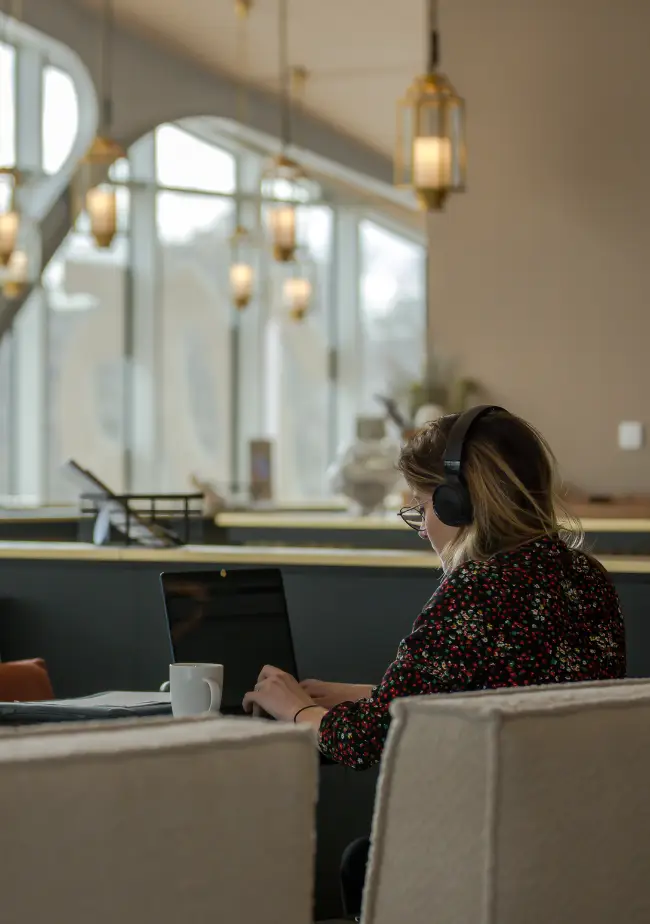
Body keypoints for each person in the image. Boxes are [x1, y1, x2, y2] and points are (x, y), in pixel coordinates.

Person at [242, 406, 626, 915]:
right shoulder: (585, 576)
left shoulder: (477, 588)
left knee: (365, 858)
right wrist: (370, 696)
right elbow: (512, 693)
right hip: (572, 843)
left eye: (422, 507)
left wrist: (297, 711)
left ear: (458, 501)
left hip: (489, 840)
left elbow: (367, 741)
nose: (422, 527)